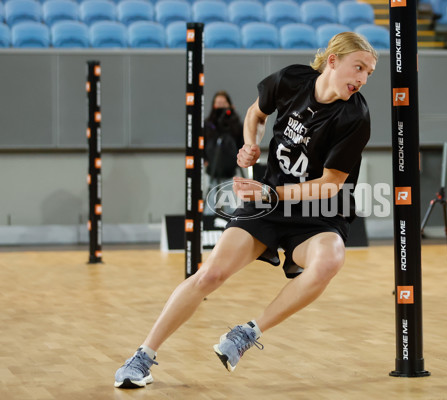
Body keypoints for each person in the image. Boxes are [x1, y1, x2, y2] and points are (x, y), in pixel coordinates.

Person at [114, 32, 378, 389]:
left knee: (330, 259)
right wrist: (250, 145)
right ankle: (142, 356)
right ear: (332, 60)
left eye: (369, 73)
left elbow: (331, 184)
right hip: (267, 203)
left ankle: (246, 333)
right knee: (209, 276)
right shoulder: (291, 80)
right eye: (358, 67)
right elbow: (255, 113)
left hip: (318, 212)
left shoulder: (355, 116)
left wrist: (271, 194)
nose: (362, 79)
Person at [204, 91, 244, 183]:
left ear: (229, 105)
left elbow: (241, 142)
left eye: (223, 103)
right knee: (211, 196)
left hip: (230, 170)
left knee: (228, 195)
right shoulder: (208, 124)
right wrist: (205, 158)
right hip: (212, 168)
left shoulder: (236, 124)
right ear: (214, 105)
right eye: (218, 103)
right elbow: (203, 142)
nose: (221, 106)